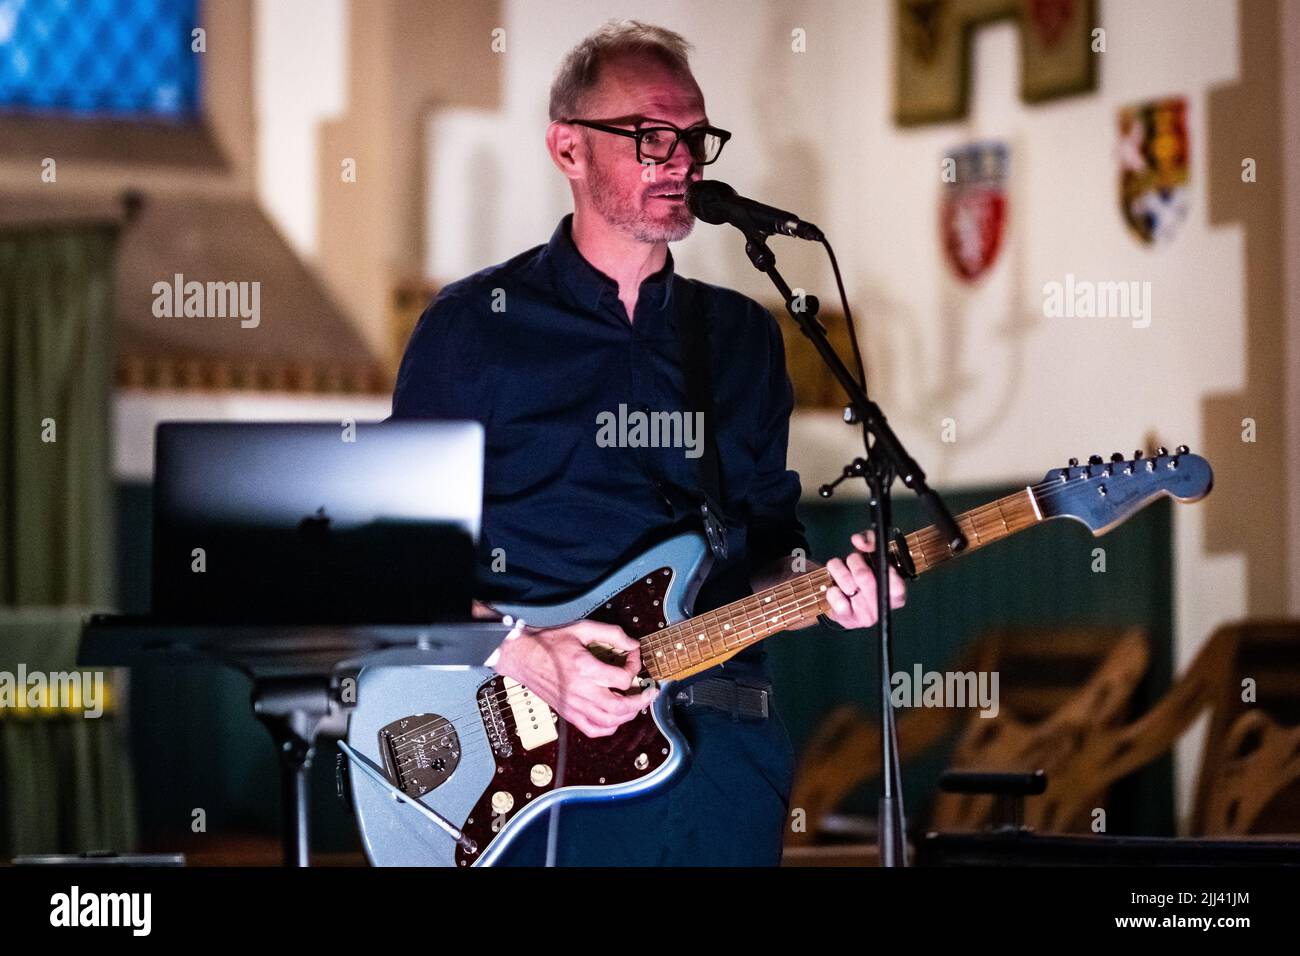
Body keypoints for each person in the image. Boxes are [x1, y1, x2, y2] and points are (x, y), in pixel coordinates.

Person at [391, 18, 905, 865]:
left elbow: (768, 543)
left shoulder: (742, 336)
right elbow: (404, 558)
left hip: (725, 752)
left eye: (695, 138)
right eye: (648, 136)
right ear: (568, 150)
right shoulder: (471, 330)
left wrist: (829, 588)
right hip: (543, 762)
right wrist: (523, 650)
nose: (682, 161)